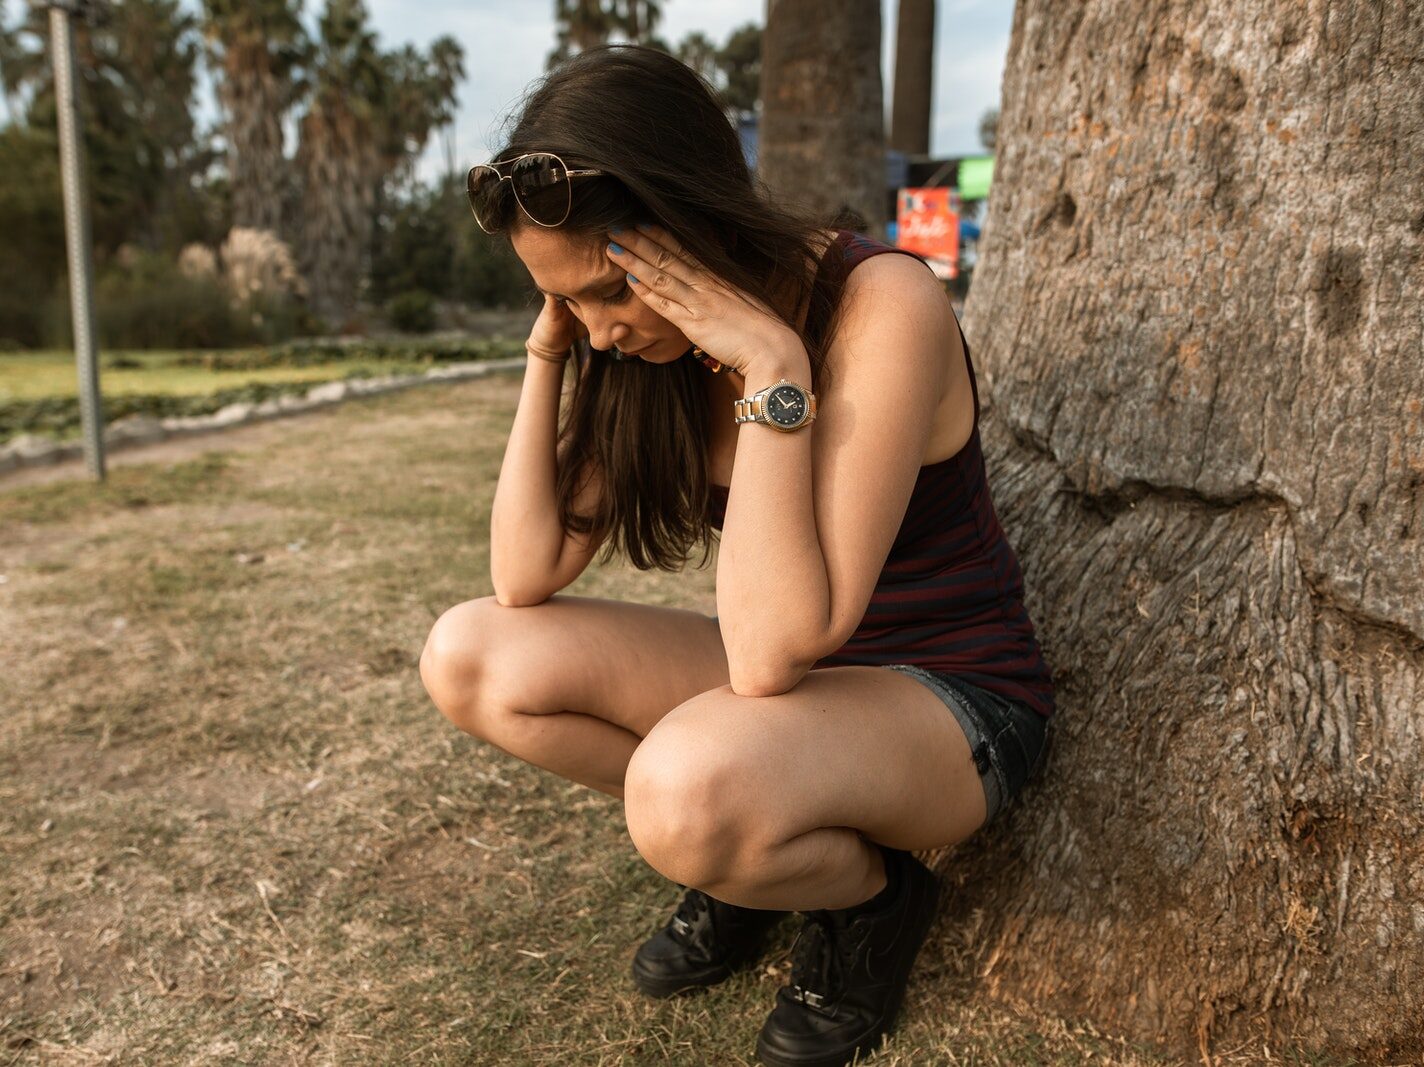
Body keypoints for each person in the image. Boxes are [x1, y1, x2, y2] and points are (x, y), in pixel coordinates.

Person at [419, 44, 1055, 1067]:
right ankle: (749, 856)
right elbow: (522, 573)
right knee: (470, 654)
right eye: (566, 300)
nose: (601, 330)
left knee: (681, 794)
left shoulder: (881, 302)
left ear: (689, 222)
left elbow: (770, 652)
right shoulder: (636, 343)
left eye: (607, 290)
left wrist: (771, 364)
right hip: (795, 695)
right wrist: (548, 351)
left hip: (949, 694)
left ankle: (869, 900)